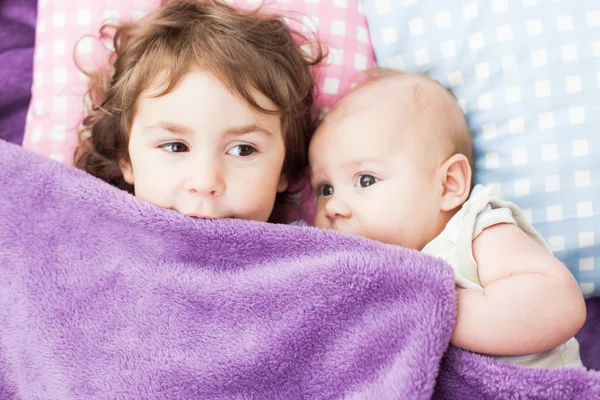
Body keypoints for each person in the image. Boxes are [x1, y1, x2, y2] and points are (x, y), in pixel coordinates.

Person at [309, 69, 586, 368]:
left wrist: (434, 308)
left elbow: (560, 304)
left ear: (448, 185)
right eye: (325, 188)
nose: (333, 205)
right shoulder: (355, 272)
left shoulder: (475, 234)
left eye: (365, 180)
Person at [76, 0, 323, 223]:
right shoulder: (89, 241)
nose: (205, 183)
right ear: (126, 158)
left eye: (242, 150)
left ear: (284, 168)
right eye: (176, 146)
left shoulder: (308, 262)